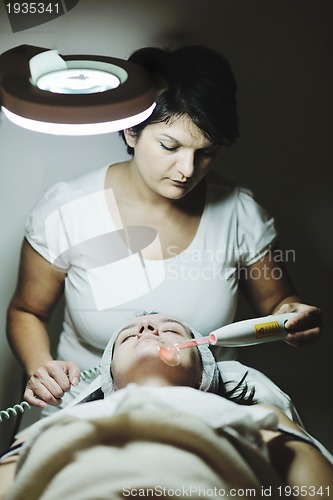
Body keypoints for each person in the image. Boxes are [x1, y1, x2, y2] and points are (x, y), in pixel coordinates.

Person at [6, 44, 322, 412]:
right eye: (170, 145)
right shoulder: (67, 211)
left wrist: (294, 316)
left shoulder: (238, 213)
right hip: (81, 414)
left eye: (206, 152)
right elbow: (27, 310)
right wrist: (41, 367)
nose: (188, 169)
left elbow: (279, 305)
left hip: (205, 416)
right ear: (131, 132)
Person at [1, 313, 332, 500]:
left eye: (171, 329)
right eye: (127, 336)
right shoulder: (67, 419)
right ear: (109, 375)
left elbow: (311, 479)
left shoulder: (255, 415)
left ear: (205, 372)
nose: (146, 329)